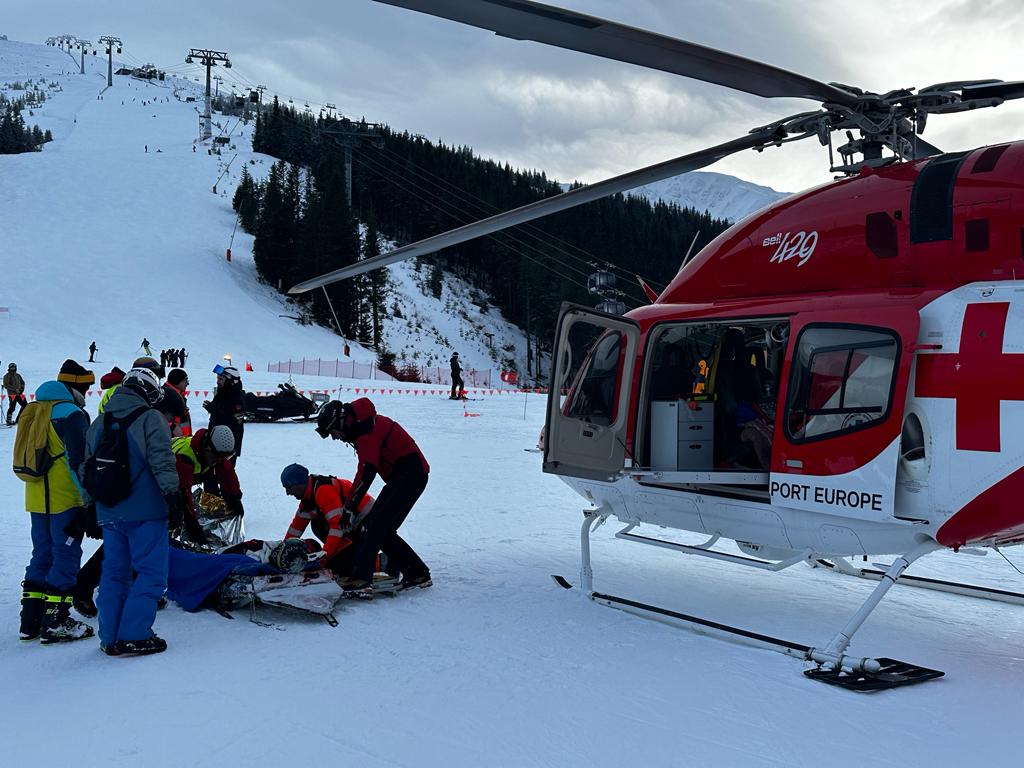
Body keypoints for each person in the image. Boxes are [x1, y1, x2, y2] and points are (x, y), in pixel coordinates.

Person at [82, 367, 183, 656]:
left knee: (114, 574)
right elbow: (162, 461)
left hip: (109, 511)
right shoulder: (150, 418)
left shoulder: (100, 422)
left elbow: (86, 468)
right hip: (146, 511)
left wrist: (89, 505)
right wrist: (173, 497)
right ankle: (135, 634)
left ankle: (110, 636)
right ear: (148, 392)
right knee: (151, 573)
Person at [315, 398, 431, 597]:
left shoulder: (366, 430)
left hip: (411, 475)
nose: (335, 438)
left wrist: (349, 508)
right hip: (403, 477)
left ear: (340, 422)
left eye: (333, 433)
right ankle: (417, 574)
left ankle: (361, 580)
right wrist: (349, 508)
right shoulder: (362, 425)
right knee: (379, 528)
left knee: (375, 526)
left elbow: (366, 472)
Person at [17, 359, 94, 643]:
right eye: (85, 387)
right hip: (65, 498)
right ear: (75, 386)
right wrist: (88, 499)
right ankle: (56, 620)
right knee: (66, 556)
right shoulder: (70, 414)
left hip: (36, 497)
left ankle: (30, 620)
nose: (86, 394)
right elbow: (79, 462)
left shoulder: (35, 409)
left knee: (42, 554)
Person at [280, 463, 376, 579]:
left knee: (339, 565)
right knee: (318, 526)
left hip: (369, 521)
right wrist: (282, 551)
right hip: (352, 524)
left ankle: (380, 562)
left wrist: (325, 556)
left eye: (289, 488)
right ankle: (349, 555)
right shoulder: (308, 498)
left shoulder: (323, 491)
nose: (288, 493)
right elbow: (296, 528)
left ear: (300, 484)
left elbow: (337, 527)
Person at [172, 425, 242, 543]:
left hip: (180, 479)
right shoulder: (184, 459)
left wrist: (235, 497)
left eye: (225, 457)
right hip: (156, 480)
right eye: (218, 457)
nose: (219, 460)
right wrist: (192, 525)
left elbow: (228, 474)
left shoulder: (212, 453)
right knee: (173, 514)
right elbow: (183, 494)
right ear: (207, 448)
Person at [204, 365, 244, 460]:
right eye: (218, 378)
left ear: (231, 381)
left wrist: (213, 409)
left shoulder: (237, 399)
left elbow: (233, 421)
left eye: (221, 379)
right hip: (216, 442)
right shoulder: (222, 393)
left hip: (228, 446)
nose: (218, 381)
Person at [159, 368, 191, 437]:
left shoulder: (174, 394)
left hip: (181, 440)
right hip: (173, 442)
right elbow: (161, 419)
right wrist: (172, 428)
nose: (187, 383)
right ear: (178, 381)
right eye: (185, 380)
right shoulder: (168, 396)